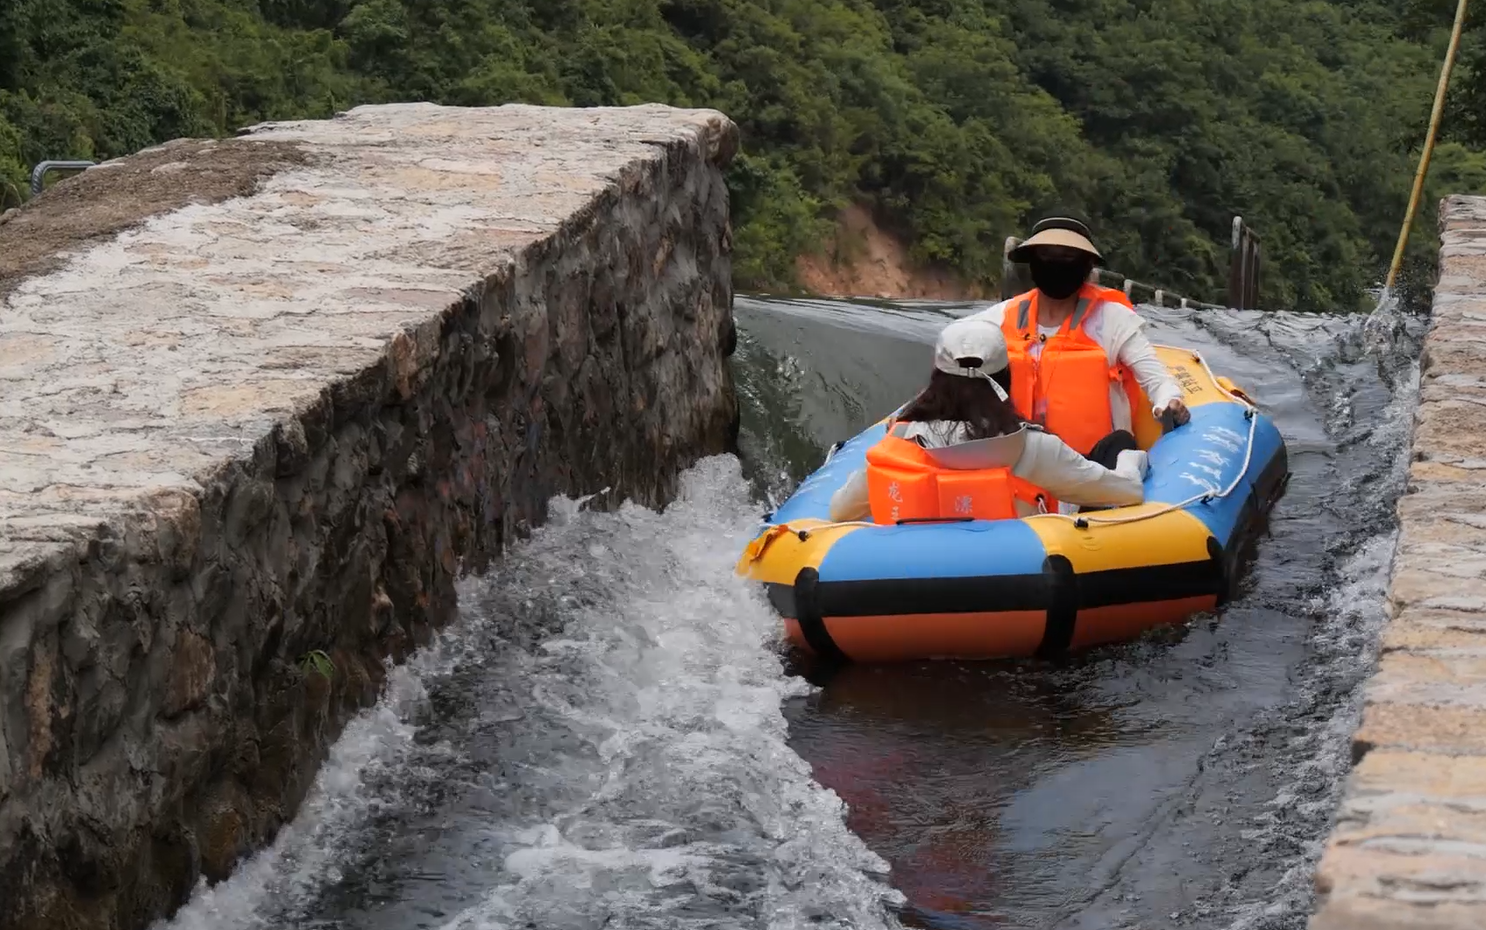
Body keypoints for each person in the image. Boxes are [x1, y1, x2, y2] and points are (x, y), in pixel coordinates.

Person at [828, 318, 1149, 523]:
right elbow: (1126, 491)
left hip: (910, 586)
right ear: (1005, 379)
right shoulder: (1031, 449)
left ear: (937, 379)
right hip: (1023, 590)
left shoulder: (898, 445)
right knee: (1117, 443)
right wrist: (1132, 460)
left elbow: (839, 512)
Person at [965, 215, 1188, 467]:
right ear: (1032, 262)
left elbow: (1157, 381)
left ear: (1086, 264)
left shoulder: (1113, 320)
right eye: (1047, 255)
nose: (1057, 264)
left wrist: (1168, 402)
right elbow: (954, 357)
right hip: (1018, 459)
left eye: (1068, 256)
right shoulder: (998, 319)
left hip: (1094, 466)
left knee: (1121, 444)